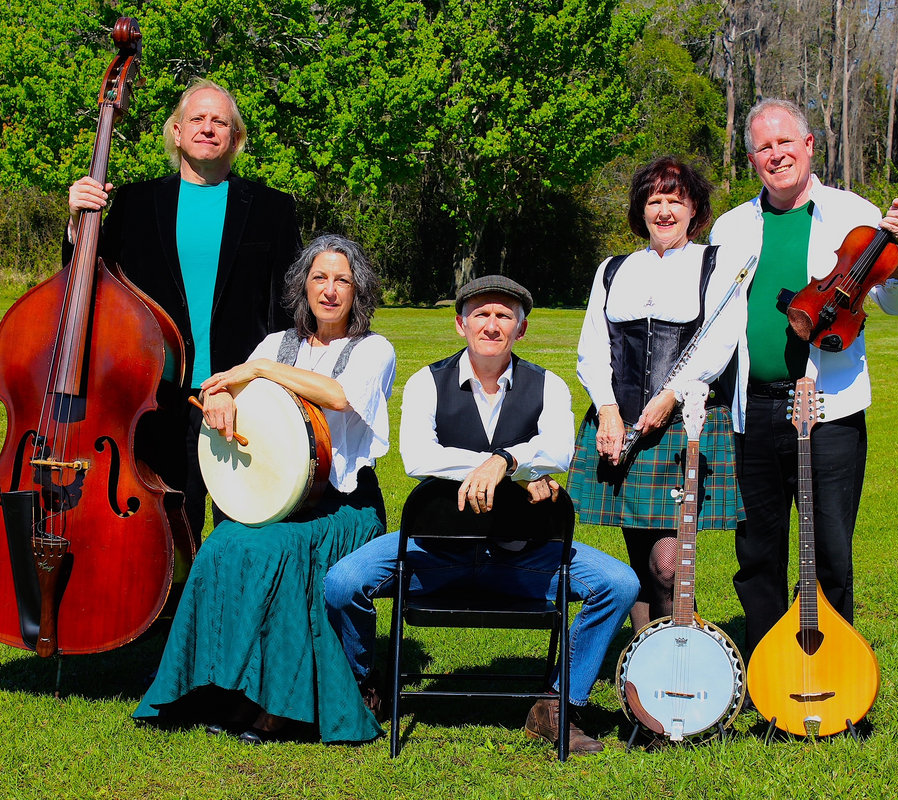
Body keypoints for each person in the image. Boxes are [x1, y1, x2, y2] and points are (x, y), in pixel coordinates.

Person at [324, 275, 639, 755]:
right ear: (460, 323)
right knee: (343, 583)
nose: (492, 325)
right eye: (481, 314)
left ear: (522, 329)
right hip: (433, 553)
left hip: (523, 557)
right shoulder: (426, 381)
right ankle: (365, 684)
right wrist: (509, 467)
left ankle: (555, 703)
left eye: (504, 316)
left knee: (619, 583)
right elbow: (417, 457)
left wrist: (505, 461)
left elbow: (556, 451)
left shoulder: (548, 385)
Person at [131, 235, 396, 745]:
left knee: (281, 553)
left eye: (343, 280)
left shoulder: (372, 349)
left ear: (358, 291)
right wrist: (220, 398)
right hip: (278, 503)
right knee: (221, 547)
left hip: (342, 506)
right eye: (320, 277)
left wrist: (258, 371)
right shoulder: (277, 343)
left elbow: (339, 398)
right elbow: (220, 385)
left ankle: (281, 707)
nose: (330, 289)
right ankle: (214, 688)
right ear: (303, 286)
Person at [708, 98, 898, 661]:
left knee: (830, 549)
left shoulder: (855, 213)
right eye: (762, 147)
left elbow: (896, 302)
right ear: (752, 158)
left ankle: (833, 667)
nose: (775, 155)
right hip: (751, 410)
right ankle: (764, 672)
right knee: (757, 550)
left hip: (830, 409)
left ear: (808, 146)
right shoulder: (732, 225)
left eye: (785, 142)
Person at [64, 78, 302, 541]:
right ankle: (172, 616)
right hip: (155, 398)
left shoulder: (273, 210)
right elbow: (87, 287)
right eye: (197, 118)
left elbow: (289, 310)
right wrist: (78, 224)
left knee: (247, 531)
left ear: (236, 138)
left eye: (221, 122)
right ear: (176, 132)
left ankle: (237, 615)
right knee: (169, 533)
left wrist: (265, 383)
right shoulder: (134, 203)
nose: (208, 128)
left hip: (244, 395)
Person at [570, 156, 751, 635]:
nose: (665, 210)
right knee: (637, 564)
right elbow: (593, 347)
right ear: (640, 210)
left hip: (683, 422)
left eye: (676, 200)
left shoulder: (717, 263)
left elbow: (720, 342)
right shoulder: (613, 270)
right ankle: (640, 667)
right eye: (655, 201)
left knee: (668, 565)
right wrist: (608, 409)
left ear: (695, 210)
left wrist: (671, 395)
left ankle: (675, 657)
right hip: (619, 423)